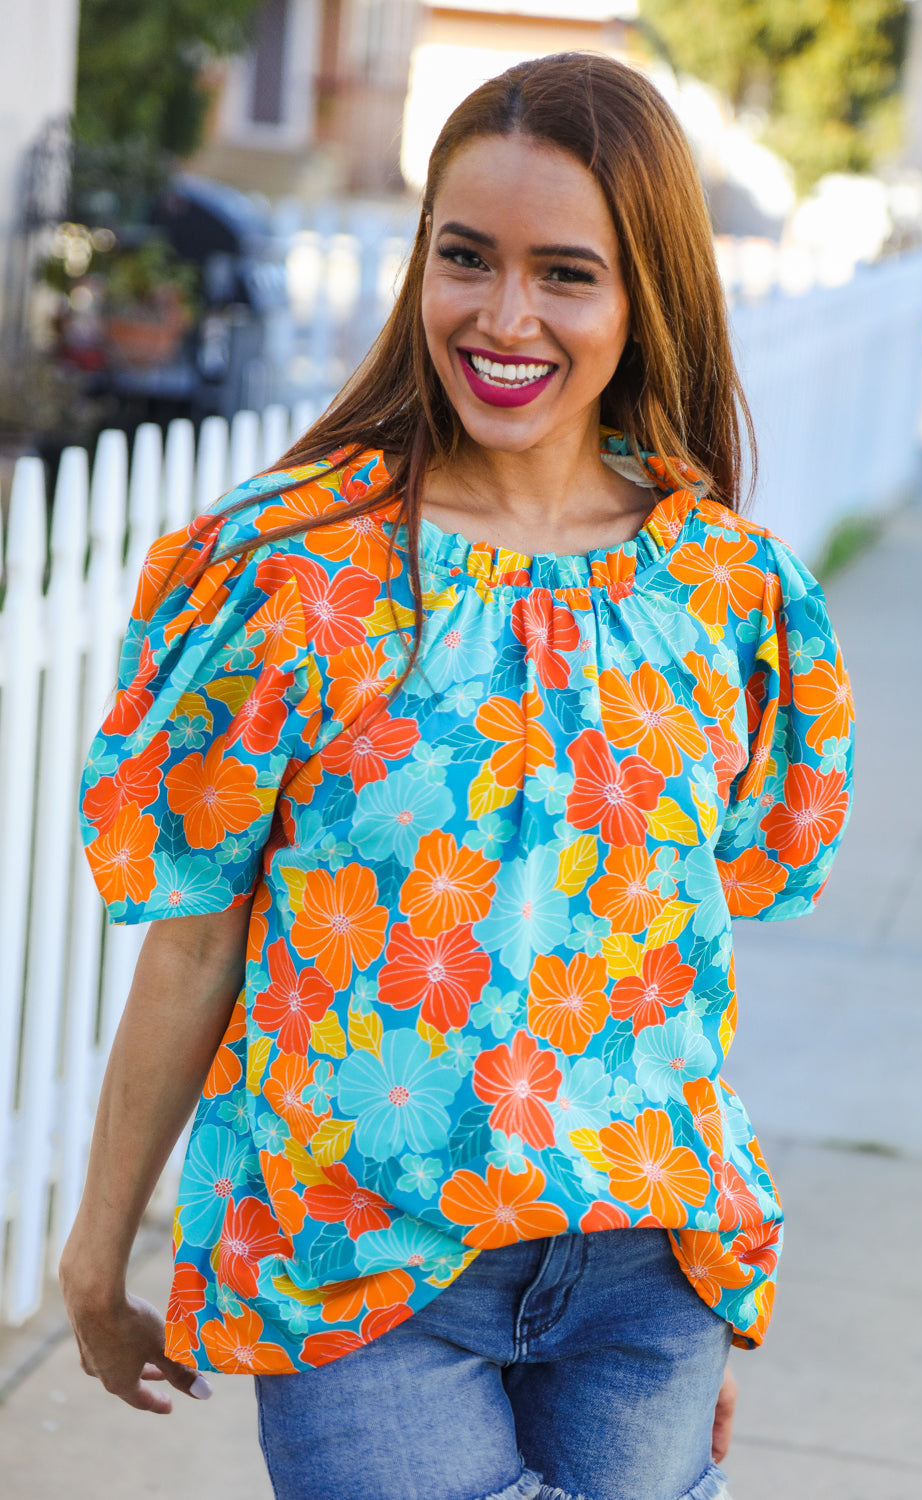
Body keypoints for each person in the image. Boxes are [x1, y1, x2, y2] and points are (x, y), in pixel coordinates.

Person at [60, 52, 854, 1500]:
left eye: (567, 274)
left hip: (644, 1282)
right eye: (466, 259)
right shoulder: (294, 573)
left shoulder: (728, 592)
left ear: (642, 297)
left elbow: (673, 962)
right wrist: (99, 1247)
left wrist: (706, 1294)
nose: (503, 318)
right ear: (419, 259)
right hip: (358, 1275)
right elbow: (196, 942)